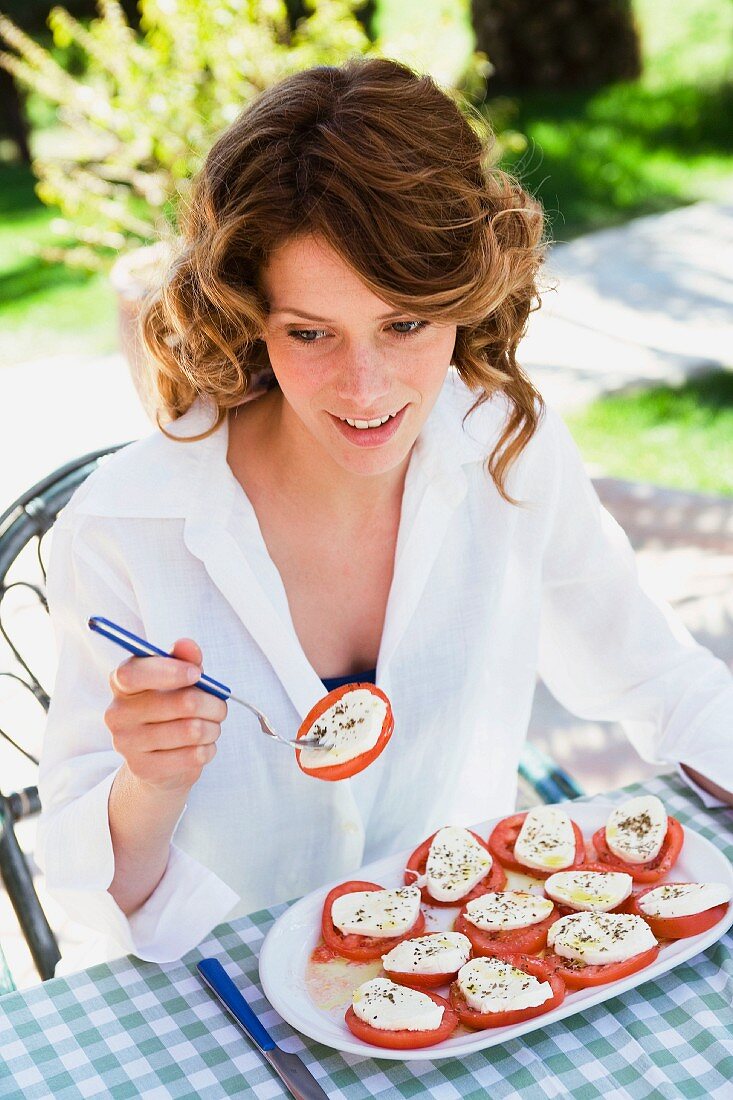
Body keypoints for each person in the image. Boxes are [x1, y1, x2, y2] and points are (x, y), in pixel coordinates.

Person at [37, 57, 733, 972]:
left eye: (405, 325)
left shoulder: (500, 448)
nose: (364, 392)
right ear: (251, 318)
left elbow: (655, 680)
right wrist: (150, 782)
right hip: (225, 1005)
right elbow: (102, 911)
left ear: (464, 299)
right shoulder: (127, 528)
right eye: (310, 332)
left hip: (466, 975)